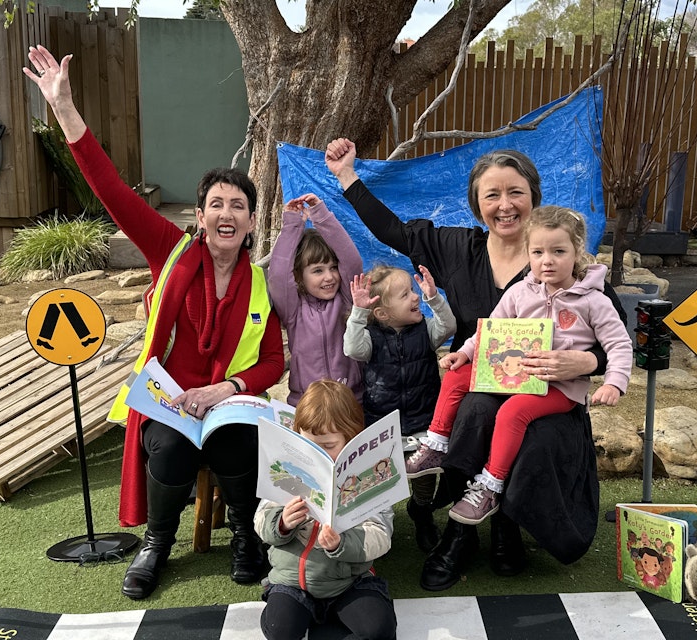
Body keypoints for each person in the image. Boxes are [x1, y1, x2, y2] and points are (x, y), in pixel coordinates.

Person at [25, 45, 284, 600]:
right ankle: (157, 543)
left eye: (238, 205)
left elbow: (272, 362)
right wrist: (64, 108)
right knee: (170, 447)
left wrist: (226, 389)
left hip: (228, 403)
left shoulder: (262, 283)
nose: (227, 213)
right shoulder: (171, 250)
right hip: (169, 402)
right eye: (217, 203)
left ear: (251, 221)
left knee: (239, 442)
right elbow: (112, 192)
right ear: (200, 215)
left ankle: (246, 538)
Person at [325, 137, 627, 590]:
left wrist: (583, 361)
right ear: (476, 204)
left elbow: (616, 336)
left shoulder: (562, 260)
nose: (505, 205)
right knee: (476, 411)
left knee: (532, 429)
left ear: (534, 198)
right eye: (492, 195)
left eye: (515, 192)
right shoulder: (457, 249)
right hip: (479, 384)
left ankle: (507, 525)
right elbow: (395, 233)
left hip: (548, 391)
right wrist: (347, 175)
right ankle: (459, 534)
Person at [406, 205, 632, 526]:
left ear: (577, 251)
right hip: (515, 373)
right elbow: (490, 331)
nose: (547, 260)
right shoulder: (520, 292)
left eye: (558, 251)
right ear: (528, 253)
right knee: (456, 377)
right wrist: (466, 353)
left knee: (512, 412)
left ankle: (490, 485)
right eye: (537, 252)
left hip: (559, 388)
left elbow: (619, 343)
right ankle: (436, 444)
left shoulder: (593, 300)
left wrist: (614, 382)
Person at [255, 379, 397, 640]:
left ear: (351, 439)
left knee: (380, 629)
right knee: (280, 631)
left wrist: (340, 544)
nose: (318, 454)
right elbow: (261, 521)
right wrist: (282, 523)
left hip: (350, 584)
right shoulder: (287, 469)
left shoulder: (367, 475)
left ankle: (335, 616)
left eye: (329, 446)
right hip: (292, 583)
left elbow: (380, 536)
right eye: (309, 445)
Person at [343, 264, 455, 551]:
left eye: (413, 291)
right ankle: (379, 522)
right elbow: (352, 349)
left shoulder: (425, 330)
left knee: (425, 473)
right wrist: (358, 312)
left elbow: (448, 327)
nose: (415, 297)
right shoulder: (371, 338)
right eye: (405, 294)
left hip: (424, 420)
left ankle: (421, 510)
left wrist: (434, 298)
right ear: (383, 313)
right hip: (382, 422)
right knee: (381, 476)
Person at [267, 193, 364, 405]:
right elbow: (278, 275)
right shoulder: (293, 310)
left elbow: (352, 261)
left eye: (333, 268)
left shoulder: (346, 299)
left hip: (350, 400)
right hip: (307, 403)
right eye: (318, 270)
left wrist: (320, 214)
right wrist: (292, 224)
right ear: (298, 275)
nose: (329, 277)